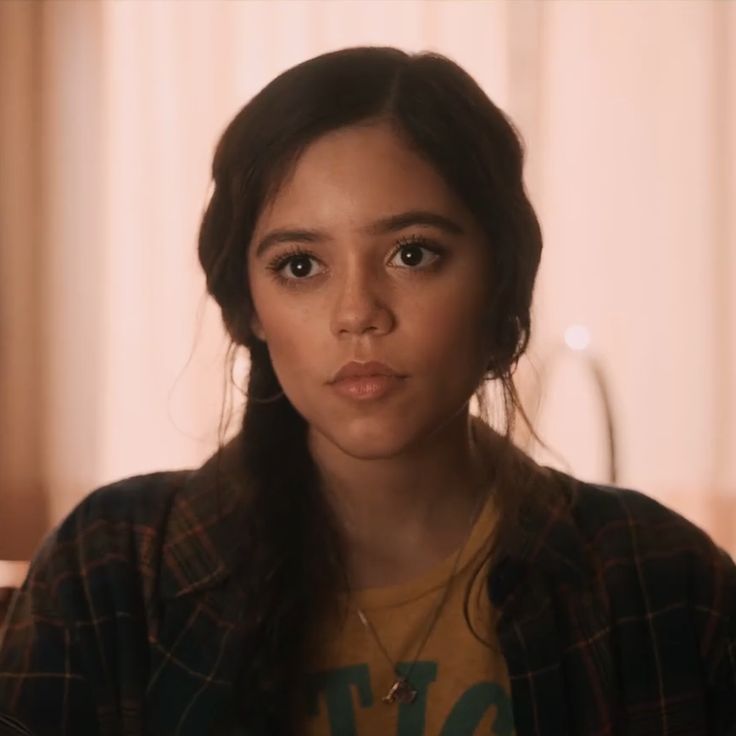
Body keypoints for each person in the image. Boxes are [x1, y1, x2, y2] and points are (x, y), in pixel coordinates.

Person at [0, 45, 734, 736]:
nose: (357, 313)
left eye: (412, 254)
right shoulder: (112, 573)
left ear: (501, 276)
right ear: (249, 304)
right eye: (299, 266)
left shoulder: (660, 581)